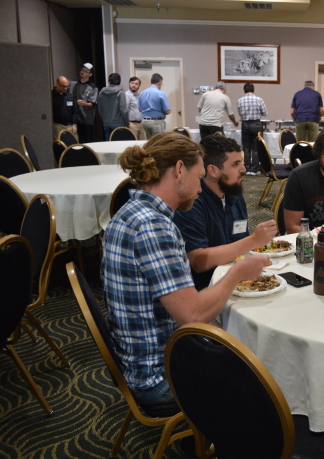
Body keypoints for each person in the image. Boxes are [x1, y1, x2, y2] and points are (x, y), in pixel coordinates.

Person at [101, 131, 270, 406]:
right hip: (157, 373)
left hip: (139, 352)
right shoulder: (154, 227)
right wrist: (237, 273)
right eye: (198, 176)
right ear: (180, 170)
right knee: (261, 372)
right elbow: (192, 314)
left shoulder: (133, 211)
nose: (201, 188)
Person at [173, 135, 277, 290]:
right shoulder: (191, 202)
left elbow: (239, 242)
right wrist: (254, 240)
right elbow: (199, 262)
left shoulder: (234, 195)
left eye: (241, 162)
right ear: (213, 170)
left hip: (237, 279)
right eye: (235, 164)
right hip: (206, 288)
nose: (244, 169)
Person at [237, 83, 267, 175]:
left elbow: (240, 113)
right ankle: (254, 169)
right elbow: (265, 112)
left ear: (244, 90)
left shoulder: (240, 100)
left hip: (245, 124)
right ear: (253, 90)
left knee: (246, 147)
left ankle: (247, 168)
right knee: (256, 147)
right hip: (256, 124)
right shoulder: (259, 99)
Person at [69, 63, 98, 143]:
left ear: (90, 74)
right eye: (82, 70)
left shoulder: (92, 87)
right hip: (74, 118)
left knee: (88, 141)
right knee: (75, 141)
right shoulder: (72, 83)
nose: (82, 72)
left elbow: (92, 104)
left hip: (86, 119)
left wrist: (84, 103)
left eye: (85, 71)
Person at [138, 73, 171, 139]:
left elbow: (140, 109)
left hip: (145, 122)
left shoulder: (142, 93)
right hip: (157, 122)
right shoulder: (161, 94)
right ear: (160, 83)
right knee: (158, 142)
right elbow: (167, 111)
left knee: (149, 142)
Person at [97, 73, 128, 140]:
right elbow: (123, 109)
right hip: (118, 123)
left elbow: (99, 108)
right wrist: (126, 122)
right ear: (119, 81)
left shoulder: (102, 92)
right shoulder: (120, 92)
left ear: (109, 81)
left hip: (106, 122)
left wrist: (104, 118)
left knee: (108, 145)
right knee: (119, 145)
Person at [51, 76, 78, 141]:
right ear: (56, 84)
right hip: (58, 126)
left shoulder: (68, 95)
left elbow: (74, 110)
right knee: (60, 146)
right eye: (63, 86)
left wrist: (74, 124)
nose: (65, 88)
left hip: (70, 126)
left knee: (75, 144)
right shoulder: (51, 96)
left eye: (67, 86)